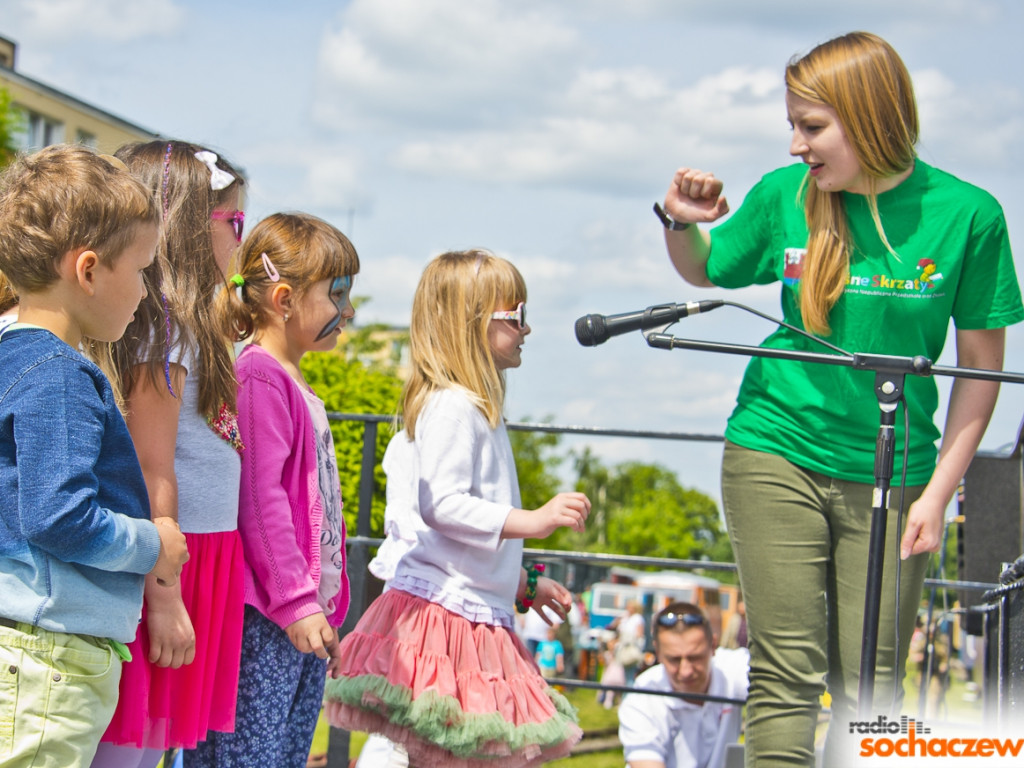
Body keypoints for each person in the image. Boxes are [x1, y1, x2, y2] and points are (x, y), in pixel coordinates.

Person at [658, 31, 1023, 766]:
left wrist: (936, 496)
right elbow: (704, 272)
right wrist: (678, 223)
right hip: (775, 447)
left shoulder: (969, 214)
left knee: (874, 685)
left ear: (870, 117)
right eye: (791, 123)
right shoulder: (784, 196)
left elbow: (980, 372)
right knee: (786, 672)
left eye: (811, 125)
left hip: (896, 473)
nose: (795, 144)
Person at [324, 249, 591, 768]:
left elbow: (454, 541)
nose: (527, 329)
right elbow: (442, 506)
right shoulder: (453, 407)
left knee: (466, 753)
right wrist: (534, 521)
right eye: (515, 317)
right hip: (447, 620)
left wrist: (518, 582)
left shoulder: (474, 410)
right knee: (457, 752)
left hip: (469, 613)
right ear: (470, 324)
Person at [0, 144, 189, 766]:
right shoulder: (60, 374)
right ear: (87, 270)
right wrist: (151, 544)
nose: (144, 292)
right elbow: (60, 518)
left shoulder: (12, 355)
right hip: (47, 655)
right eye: (140, 270)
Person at [93, 140, 248, 768]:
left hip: (196, 550)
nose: (242, 239)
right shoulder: (161, 328)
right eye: (233, 222)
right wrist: (164, 591)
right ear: (186, 225)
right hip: (172, 555)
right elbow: (150, 464)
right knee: (123, 744)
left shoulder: (182, 324)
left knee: (142, 743)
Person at [194, 211, 357, 765]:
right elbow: (262, 503)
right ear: (284, 298)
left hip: (299, 618)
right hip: (270, 620)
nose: (349, 311)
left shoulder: (289, 378)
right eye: (338, 294)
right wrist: (295, 602)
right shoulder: (259, 377)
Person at [619, 602, 749, 768]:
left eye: (695, 657)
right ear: (658, 652)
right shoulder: (642, 697)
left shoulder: (732, 668)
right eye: (674, 659)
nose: (686, 671)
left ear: (713, 646)